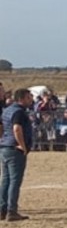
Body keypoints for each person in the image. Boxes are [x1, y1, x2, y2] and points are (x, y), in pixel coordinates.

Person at [0, 89, 35, 221]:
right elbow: (17, 128)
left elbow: (1, 126)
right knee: (15, 181)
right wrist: (22, 145)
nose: (30, 99)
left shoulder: (7, 110)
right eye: (28, 97)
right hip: (15, 150)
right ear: (22, 98)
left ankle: (2, 209)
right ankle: (12, 210)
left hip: (4, 147)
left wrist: (3, 139)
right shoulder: (19, 112)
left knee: (5, 180)